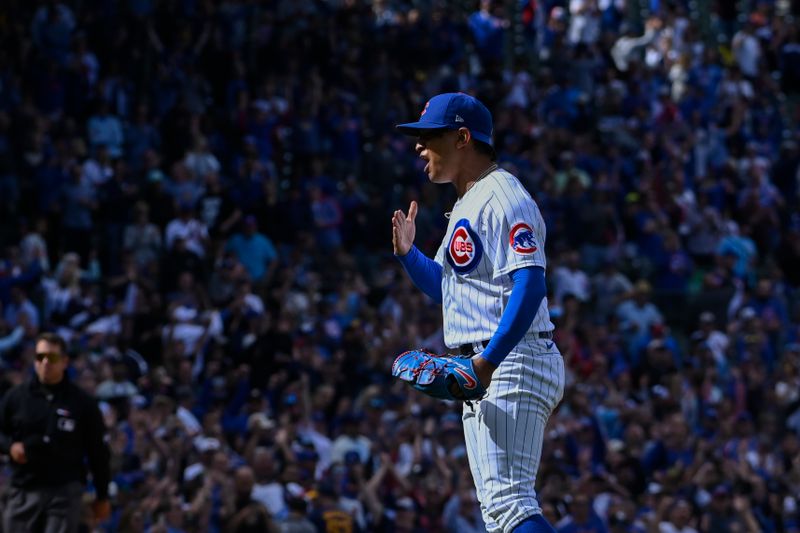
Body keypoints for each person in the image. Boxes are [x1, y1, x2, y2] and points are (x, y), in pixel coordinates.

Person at [391, 92, 565, 533]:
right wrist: (411, 256)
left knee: (509, 505)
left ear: (463, 138)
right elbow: (453, 292)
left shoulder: (505, 196)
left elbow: (531, 283)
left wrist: (487, 363)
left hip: (509, 358)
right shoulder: (470, 202)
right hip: (495, 360)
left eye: (429, 136)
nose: (418, 146)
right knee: (500, 510)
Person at [0, 332, 111, 532]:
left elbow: (98, 452)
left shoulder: (82, 403)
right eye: (39, 357)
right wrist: (10, 446)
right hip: (24, 488)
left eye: (51, 358)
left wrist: (102, 495)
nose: (45, 362)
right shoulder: (15, 398)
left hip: (64, 490)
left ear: (64, 361)